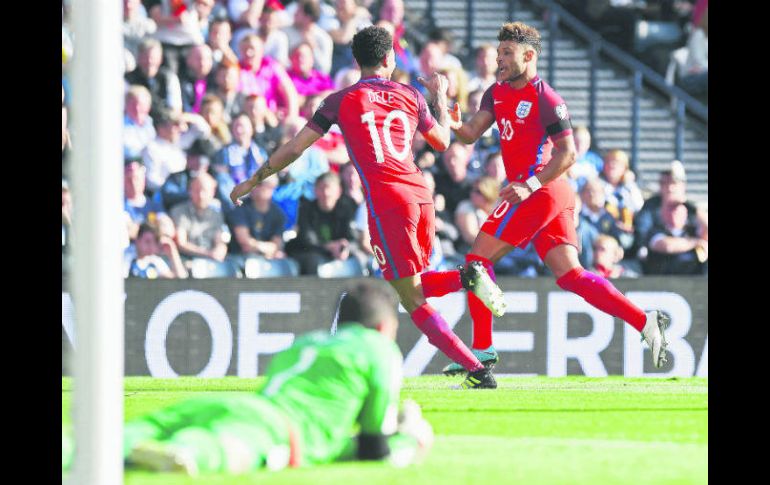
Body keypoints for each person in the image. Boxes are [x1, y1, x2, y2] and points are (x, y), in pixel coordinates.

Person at [229, 26, 504, 389]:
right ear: (390, 59)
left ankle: (476, 369)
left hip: (387, 202)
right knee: (413, 285)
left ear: (357, 61)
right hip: (421, 195)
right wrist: (439, 96)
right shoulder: (410, 94)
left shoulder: (339, 100)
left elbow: (296, 148)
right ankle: (465, 279)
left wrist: (254, 179)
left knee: (410, 297)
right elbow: (441, 141)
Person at [442, 21, 669, 375]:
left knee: (476, 261)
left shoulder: (546, 98)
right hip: (543, 192)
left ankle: (482, 353)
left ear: (529, 55)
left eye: (506, 53)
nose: (498, 59)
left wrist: (530, 185)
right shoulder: (495, 92)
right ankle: (646, 322)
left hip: (540, 189)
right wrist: (453, 118)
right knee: (570, 276)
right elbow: (470, 134)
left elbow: (568, 154)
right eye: (499, 51)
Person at [62, 281, 434, 475]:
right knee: (225, 445)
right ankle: (187, 450)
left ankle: (77, 448)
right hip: (281, 429)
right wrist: (411, 438)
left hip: (245, 402)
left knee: (154, 423)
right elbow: (374, 449)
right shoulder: (380, 349)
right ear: (386, 326)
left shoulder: (309, 342)